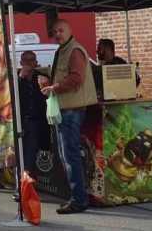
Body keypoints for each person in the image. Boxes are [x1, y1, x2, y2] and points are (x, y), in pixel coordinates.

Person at [41, 19, 98, 214]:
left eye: (61, 30)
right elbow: (64, 74)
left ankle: (79, 200)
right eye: (54, 31)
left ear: (69, 30)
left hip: (71, 110)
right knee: (69, 154)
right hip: (66, 108)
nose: (57, 34)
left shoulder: (74, 50)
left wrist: (53, 88)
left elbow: (76, 78)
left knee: (70, 155)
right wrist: (44, 74)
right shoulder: (64, 49)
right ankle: (78, 196)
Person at [17, 51, 49, 179]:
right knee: (21, 152)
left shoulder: (42, 77)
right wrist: (20, 79)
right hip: (21, 121)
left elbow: (49, 96)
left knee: (31, 151)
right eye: (26, 60)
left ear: (36, 63)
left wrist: (47, 85)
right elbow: (11, 97)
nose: (29, 63)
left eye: (32, 60)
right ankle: (24, 180)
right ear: (21, 63)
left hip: (37, 121)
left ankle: (26, 180)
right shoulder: (16, 78)